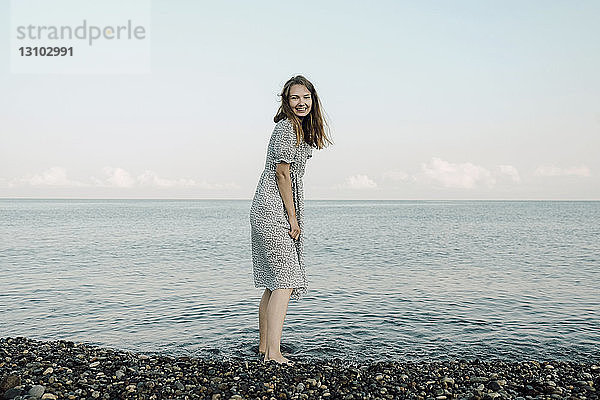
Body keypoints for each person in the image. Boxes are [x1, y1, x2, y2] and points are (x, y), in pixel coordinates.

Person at [249, 75, 332, 365]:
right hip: (274, 209)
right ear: (287, 101)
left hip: (267, 207)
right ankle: (274, 353)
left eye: (305, 97)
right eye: (295, 98)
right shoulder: (287, 129)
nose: (301, 103)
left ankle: (263, 348)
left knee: (274, 284)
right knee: (284, 282)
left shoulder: (296, 129)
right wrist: (293, 218)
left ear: (313, 99)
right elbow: (282, 174)